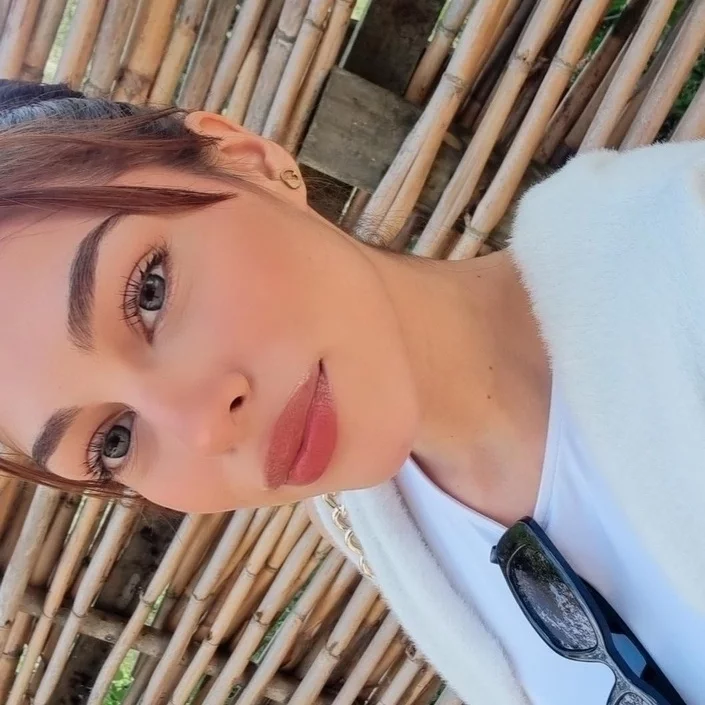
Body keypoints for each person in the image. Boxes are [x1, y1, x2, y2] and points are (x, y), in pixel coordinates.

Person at [0, 79, 702, 705]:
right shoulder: (386, 530)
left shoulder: (684, 251)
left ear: (246, 159)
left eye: (148, 292)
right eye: (113, 439)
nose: (204, 428)